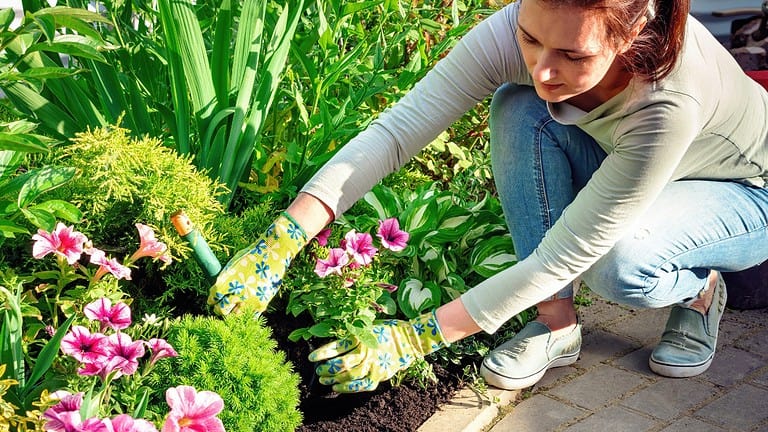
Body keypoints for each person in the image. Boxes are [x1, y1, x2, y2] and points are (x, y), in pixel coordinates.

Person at [209, 0, 768, 393]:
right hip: (635, 165)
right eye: (530, 38)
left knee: (618, 262)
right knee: (519, 105)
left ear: (628, 36)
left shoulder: (666, 100)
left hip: (740, 191)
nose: (544, 68)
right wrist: (281, 240)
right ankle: (555, 323)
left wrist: (414, 338)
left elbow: (563, 256)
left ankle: (699, 288)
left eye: (573, 56)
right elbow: (400, 130)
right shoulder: (530, 34)